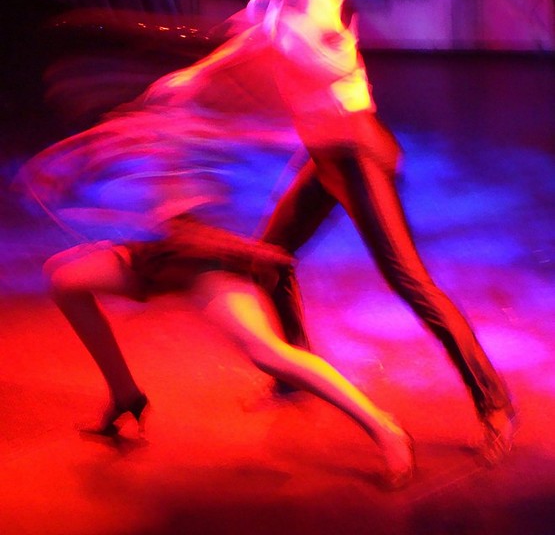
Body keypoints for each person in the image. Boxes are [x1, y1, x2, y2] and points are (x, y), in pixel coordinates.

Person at [17, 41, 414, 491]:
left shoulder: (189, 122)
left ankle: (384, 428)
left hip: (206, 262)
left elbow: (202, 160)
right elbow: (113, 140)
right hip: (163, 253)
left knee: (268, 352)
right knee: (65, 277)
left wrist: (252, 249)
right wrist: (63, 162)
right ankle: (125, 394)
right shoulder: (158, 113)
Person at [236, 0, 517, 465]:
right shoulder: (273, 5)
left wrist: (275, 36)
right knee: (269, 258)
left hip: (357, 154)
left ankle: (495, 404)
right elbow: (244, 48)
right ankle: (295, 370)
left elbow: (328, 60)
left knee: (410, 284)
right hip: (324, 155)